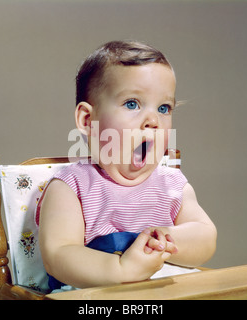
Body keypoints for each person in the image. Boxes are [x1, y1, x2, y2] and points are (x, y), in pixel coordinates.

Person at [36, 40, 217, 291]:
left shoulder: (172, 184)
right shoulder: (71, 187)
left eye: (164, 108)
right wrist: (121, 269)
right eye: (132, 103)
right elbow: (58, 255)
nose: (153, 120)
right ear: (88, 120)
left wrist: (165, 238)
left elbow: (206, 237)